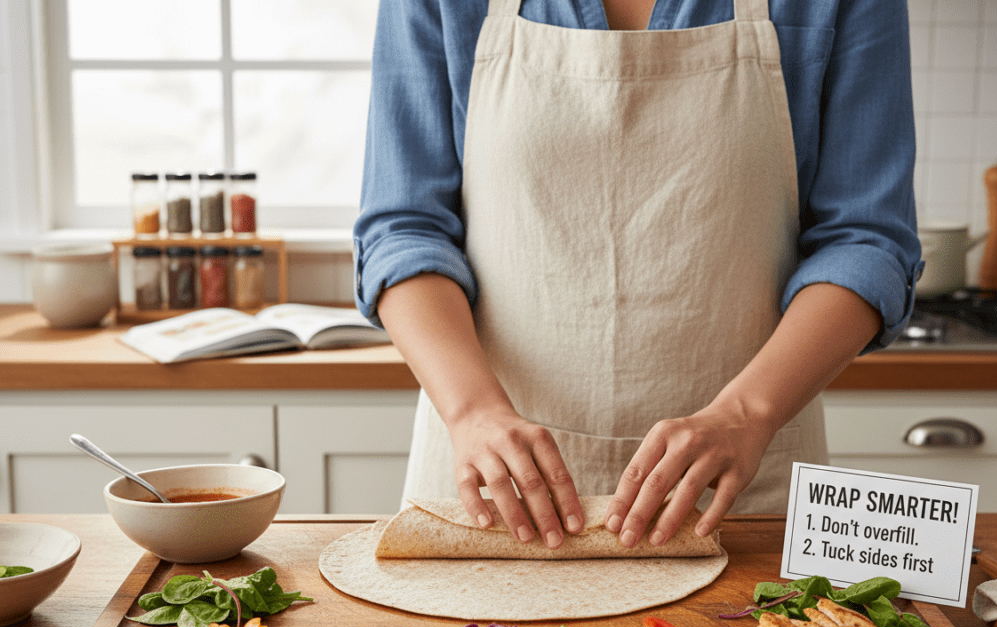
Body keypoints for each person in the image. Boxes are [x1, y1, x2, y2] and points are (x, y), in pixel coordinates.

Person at [354, 0, 922, 551]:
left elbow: (865, 240)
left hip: (738, 485)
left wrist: (746, 415)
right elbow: (403, 231)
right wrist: (472, 410)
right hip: (493, 487)